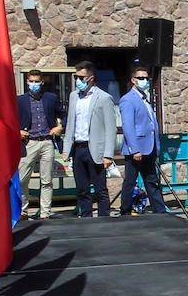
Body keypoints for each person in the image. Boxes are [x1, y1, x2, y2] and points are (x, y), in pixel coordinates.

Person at [61, 61, 118, 217]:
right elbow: (71, 124)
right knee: (82, 188)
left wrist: (108, 154)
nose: (78, 80)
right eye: (76, 77)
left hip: (95, 149)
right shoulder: (74, 96)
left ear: (91, 78)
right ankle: (86, 218)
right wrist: (66, 149)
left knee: (100, 189)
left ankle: (103, 219)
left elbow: (111, 128)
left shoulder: (104, 98)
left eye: (81, 77)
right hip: (78, 149)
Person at [119, 63, 167, 216]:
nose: (144, 81)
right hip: (137, 149)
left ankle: (160, 211)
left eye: (146, 78)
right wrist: (135, 149)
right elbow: (128, 126)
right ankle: (125, 211)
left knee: (151, 181)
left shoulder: (145, 99)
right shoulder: (128, 100)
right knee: (130, 181)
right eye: (141, 78)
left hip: (149, 147)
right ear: (133, 80)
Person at [17, 69, 64, 222]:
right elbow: (9, 119)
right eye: (32, 81)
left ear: (42, 82)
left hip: (46, 142)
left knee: (47, 180)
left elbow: (63, 113)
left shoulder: (51, 98)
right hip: (28, 143)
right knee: (22, 179)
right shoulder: (20, 100)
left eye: (37, 81)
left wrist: (60, 126)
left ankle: (45, 213)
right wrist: (17, 131)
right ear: (27, 82)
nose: (34, 84)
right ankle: (23, 211)